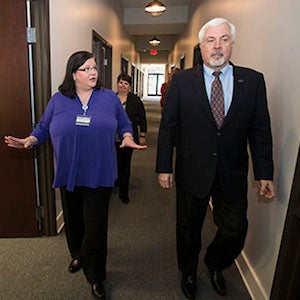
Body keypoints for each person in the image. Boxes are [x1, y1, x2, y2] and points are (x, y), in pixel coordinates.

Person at [4, 51, 146, 300]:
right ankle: (78, 254)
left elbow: (124, 124)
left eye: (94, 68)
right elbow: (44, 127)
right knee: (73, 222)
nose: (93, 72)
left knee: (96, 227)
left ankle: (96, 275)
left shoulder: (109, 98)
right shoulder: (59, 100)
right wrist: (30, 140)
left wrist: (127, 136)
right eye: (86, 69)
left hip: (100, 173)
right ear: (73, 74)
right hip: (69, 173)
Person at [156, 18, 275, 299]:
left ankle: (215, 263)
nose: (217, 46)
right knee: (188, 230)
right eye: (211, 40)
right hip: (192, 168)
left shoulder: (253, 81)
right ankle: (188, 271)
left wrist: (264, 172)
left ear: (233, 44)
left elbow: (260, 131)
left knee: (236, 229)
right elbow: (168, 126)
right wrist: (163, 166)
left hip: (231, 171)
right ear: (202, 46)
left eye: (224, 39)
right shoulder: (182, 81)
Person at [115, 73, 147, 203]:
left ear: (129, 86)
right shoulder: (111, 98)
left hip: (128, 137)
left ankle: (124, 192)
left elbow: (142, 118)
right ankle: (115, 182)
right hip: (111, 138)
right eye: (120, 82)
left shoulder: (135, 100)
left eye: (126, 83)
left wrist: (142, 135)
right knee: (113, 163)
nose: (122, 85)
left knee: (124, 164)